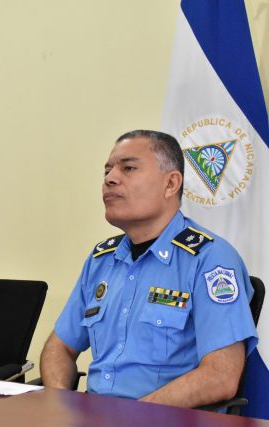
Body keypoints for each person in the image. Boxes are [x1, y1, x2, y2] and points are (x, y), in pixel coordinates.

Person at [39, 130, 257, 408]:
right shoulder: (101, 258)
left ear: (171, 184)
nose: (110, 178)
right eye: (107, 170)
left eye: (128, 168)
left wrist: (132, 417)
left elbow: (220, 376)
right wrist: (60, 402)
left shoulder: (210, 259)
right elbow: (59, 347)